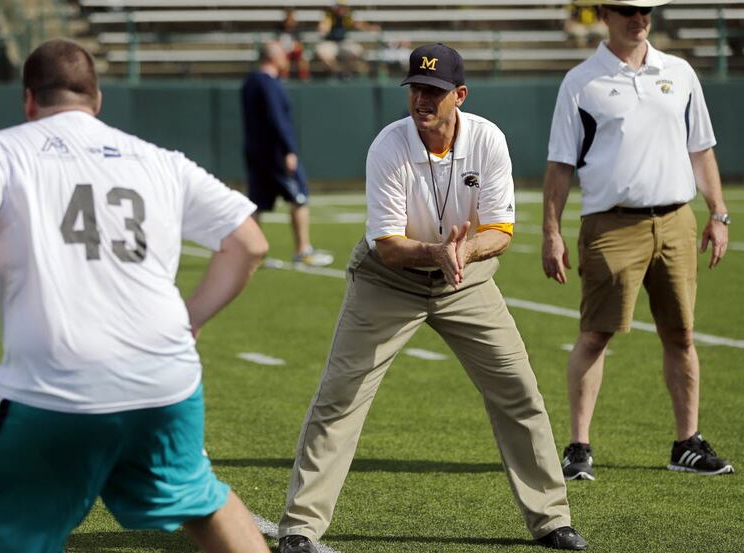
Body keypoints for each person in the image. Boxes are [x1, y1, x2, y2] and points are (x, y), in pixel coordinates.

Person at [0, 39, 272, 552]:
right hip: (165, 382)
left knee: (18, 527)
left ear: (28, 100)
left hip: (53, 387)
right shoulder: (161, 160)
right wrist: (192, 319)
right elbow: (249, 243)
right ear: (97, 99)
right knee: (205, 502)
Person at [277, 43, 587, 553]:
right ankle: (299, 528)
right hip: (388, 280)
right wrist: (439, 251)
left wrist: (459, 252)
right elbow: (389, 245)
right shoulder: (388, 145)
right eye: (416, 88)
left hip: (466, 278)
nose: (422, 99)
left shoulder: (487, 139)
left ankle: (552, 519)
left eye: (434, 91)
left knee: (519, 390)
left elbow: (502, 231)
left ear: (459, 95)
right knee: (340, 397)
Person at [542, 0, 734, 481]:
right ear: (605, 13)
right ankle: (578, 446)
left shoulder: (681, 72)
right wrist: (551, 231)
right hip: (611, 224)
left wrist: (719, 213)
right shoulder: (581, 82)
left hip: (676, 220)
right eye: (628, 9)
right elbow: (561, 164)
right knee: (594, 334)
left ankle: (686, 443)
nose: (640, 18)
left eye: (647, 9)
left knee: (682, 334)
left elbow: (701, 148)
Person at [241, 41, 332, 267]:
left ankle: (252, 255)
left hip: (257, 152)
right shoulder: (268, 83)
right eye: (283, 54)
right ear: (272, 56)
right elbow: (276, 119)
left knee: (257, 203)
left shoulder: (250, 82)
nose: (286, 59)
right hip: (275, 154)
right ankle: (303, 251)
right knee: (299, 196)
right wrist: (289, 150)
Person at [314, 0, 380, 78]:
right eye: (340, 7)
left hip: (343, 42)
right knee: (323, 53)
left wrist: (370, 28)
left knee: (357, 50)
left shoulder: (347, 17)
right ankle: (338, 72)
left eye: (343, 7)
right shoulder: (329, 16)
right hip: (329, 42)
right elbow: (323, 28)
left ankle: (345, 72)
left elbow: (358, 24)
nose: (342, 9)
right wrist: (324, 28)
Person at [278, 8, 310, 80]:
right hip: (284, 52)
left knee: (303, 59)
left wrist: (296, 47)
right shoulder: (280, 29)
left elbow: (300, 44)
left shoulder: (297, 30)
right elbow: (279, 43)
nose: (290, 21)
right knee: (284, 60)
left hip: (296, 52)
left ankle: (304, 77)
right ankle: (284, 76)